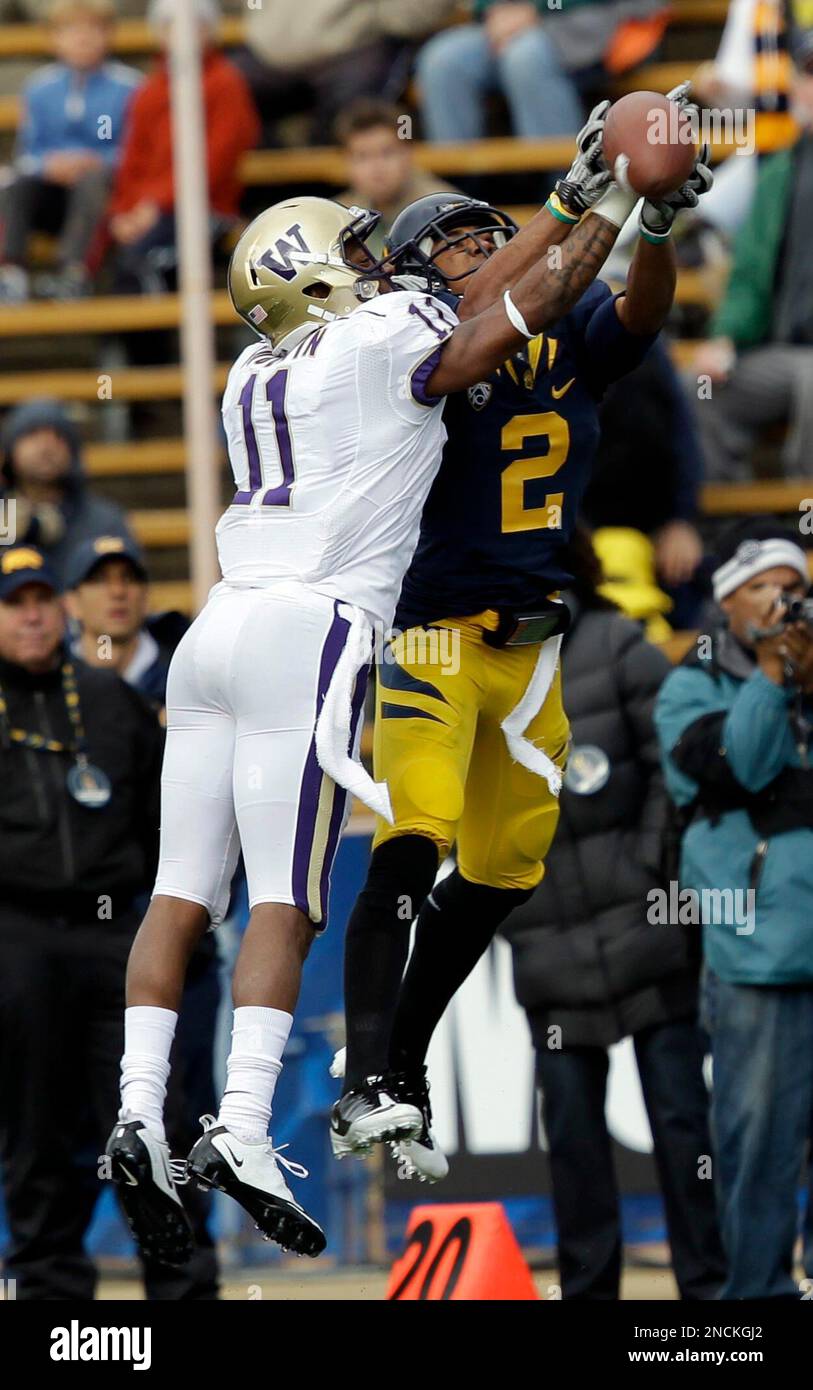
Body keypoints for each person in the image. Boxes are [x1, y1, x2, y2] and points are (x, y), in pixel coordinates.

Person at [103, 140, 646, 1261]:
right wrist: (579, 200)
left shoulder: (249, 372)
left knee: (177, 893)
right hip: (310, 630)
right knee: (284, 900)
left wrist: (600, 212)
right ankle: (245, 1124)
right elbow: (521, 301)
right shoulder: (385, 337)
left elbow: (509, 301)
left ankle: (137, 1112)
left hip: (215, 623)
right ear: (309, 272)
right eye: (350, 248)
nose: (373, 259)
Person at [330, 110, 713, 1178]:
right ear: (416, 277)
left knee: (500, 873)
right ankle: (368, 1072)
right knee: (413, 837)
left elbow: (633, 317)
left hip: (536, 640)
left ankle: (400, 1062)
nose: (472, 251)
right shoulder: (418, 350)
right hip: (436, 638)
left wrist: (659, 227)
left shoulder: (546, 322)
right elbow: (526, 287)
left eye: (476, 236)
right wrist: (604, 194)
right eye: (453, 243)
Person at [500, 527, 724, 1301]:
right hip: (547, 950)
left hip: (649, 934)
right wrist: (506, 898)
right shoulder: (478, 669)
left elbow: (674, 768)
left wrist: (648, 868)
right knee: (571, 1143)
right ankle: (588, 1292)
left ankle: (709, 1292)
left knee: (683, 1126)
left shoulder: (614, 642)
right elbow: (464, 804)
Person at [0, 545, 217, 1299]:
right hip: (17, 939)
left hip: (114, 937)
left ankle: (183, 1286)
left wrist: (176, 923)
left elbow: (172, 821)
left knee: (153, 1115)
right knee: (35, 1132)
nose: (29, 614)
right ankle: (50, 1297)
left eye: (39, 598)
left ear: (61, 609)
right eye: (11, 602)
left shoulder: (106, 699)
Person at [654, 519, 813, 1300]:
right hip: (757, 952)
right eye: (765, 586)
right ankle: (754, 1300)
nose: (785, 599)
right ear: (726, 601)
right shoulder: (691, 684)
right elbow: (744, 767)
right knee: (757, 1143)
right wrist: (772, 676)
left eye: (794, 585)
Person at [691, 68, 813, 480]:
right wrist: (725, 338)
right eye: (808, 75)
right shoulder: (779, 170)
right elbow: (751, 268)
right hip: (783, 354)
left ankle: (804, 517)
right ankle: (730, 527)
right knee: (702, 387)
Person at [107, 0, 259, 295]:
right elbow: (132, 160)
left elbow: (216, 161)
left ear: (208, 31)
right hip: (152, 211)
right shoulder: (149, 92)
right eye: (172, 27)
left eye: (193, 26)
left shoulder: (226, 84)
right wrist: (123, 212)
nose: (183, 35)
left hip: (207, 208)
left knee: (146, 262)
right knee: (125, 258)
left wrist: (152, 204)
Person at [0, 0, 140, 303]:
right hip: (51, 192)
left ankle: (73, 272)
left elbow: (134, 153)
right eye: (72, 29)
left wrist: (94, 161)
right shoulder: (39, 88)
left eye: (93, 29)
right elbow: (27, 154)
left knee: (93, 180)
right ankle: (11, 272)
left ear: (108, 35)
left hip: (103, 194)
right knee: (18, 185)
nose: (83, 38)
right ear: (55, 38)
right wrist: (47, 165)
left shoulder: (128, 87)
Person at [416, 0, 663, 143]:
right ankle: (456, 201)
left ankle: (564, 191)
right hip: (510, 24)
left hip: (596, 20)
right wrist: (495, 9)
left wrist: (537, 8)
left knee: (525, 56)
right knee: (443, 61)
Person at [232, 0, 458, 147]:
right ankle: (267, 191)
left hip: (358, 46)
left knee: (354, 103)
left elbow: (425, 9)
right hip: (272, 51)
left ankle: (336, 193)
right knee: (226, 85)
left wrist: (378, 18)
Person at [0, 398, 133, 582]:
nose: (46, 447)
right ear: (10, 450)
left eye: (58, 436)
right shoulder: (4, 516)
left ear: (73, 452)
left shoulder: (103, 522)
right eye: (32, 434)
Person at [64, 533, 189, 716]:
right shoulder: (49, 677)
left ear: (146, 596)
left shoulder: (183, 674)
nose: (118, 592)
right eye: (100, 580)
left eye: (129, 578)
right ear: (72, 603)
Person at [336, 99, 457, 260]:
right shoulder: (337, 216)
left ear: (407, 153)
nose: (376, 167)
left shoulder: (445, 209)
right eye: (362, 157)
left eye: (387, 153)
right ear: (347, 162)